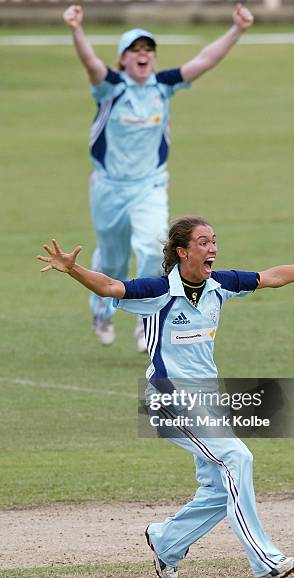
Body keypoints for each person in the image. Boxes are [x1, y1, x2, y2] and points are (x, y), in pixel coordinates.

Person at [36, 217, 294, 578]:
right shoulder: (159, 291)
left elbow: (272, 277)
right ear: (182, 251)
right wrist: (72, 268)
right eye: (204, 242)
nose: (213, 249)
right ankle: (265, 560)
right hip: (168, 403)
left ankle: (166, 541)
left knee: (219, 489)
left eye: (214, 241)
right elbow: (112, 287)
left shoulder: (218, 284)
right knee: (238, 457)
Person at [62, 3, 254, 350]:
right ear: (123, 58)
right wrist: (76, 29)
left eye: (148, 49)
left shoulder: (162, 86)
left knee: (153, 246)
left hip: (149, 185)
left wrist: (237, 29)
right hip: (108, 187)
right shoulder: (110, 87)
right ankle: (101, 310)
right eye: (135, 50)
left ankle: (146, 317)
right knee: (113, 258)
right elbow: (91, 64)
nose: (143, 54)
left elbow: (204, 60)